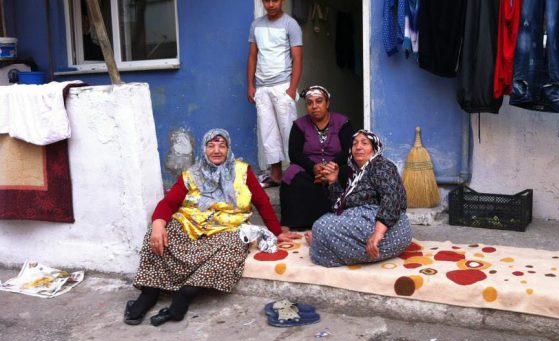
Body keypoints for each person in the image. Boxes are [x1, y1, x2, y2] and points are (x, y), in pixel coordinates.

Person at [124, 128, 301, 326]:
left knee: (233, 248)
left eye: (222, 146)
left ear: (228, 149)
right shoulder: (192, 174)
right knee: (157, 233)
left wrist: (277, 232)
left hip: (227, 228)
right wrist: (158, 224)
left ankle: (183, 298)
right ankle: (148, 294)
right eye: (211, 146)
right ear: (204, 149)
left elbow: (262, 202)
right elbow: (169, 203)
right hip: (190, 224)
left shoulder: (242, 171)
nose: (216, 150)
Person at [307, 130, 413, 267]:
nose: (358, 147)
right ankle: (324, 244)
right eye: (355, 143)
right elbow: (340, 205)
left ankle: (322, 245)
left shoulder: (381, 165)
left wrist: (377, 234)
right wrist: (333, 181)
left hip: (388, 227)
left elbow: (392, 198)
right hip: (365, 222)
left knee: (321, 227)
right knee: (322, 224)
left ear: (374, 148)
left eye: (364, 143)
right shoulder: (356, 175)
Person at [247, 0, 303, 188]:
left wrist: (291, 89)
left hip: (283, 87)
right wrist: (251, 85)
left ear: (283, 0)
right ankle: (276, 176)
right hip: (262, 88)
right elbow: (252, 56)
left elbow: (298, 59)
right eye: (267, 0)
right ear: (262, 0)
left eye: (275, 0)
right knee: (268, 132)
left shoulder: (290, 24)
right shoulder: (256, 25)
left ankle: (295, 175)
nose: (271, 5)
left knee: (289, 131)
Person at [280, 85, 353, 230]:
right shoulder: (299, 125)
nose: (314, 106)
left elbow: (349, 150)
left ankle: (341, 220)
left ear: (327, 103)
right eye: (309, 103)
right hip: (310, 167)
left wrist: (332, 166)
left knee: (347, 174)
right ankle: (294, 222)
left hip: (337, 166)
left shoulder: (343, 122)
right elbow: (294, 154)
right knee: (291, 175)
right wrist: (313, 167)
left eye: (319, 101)